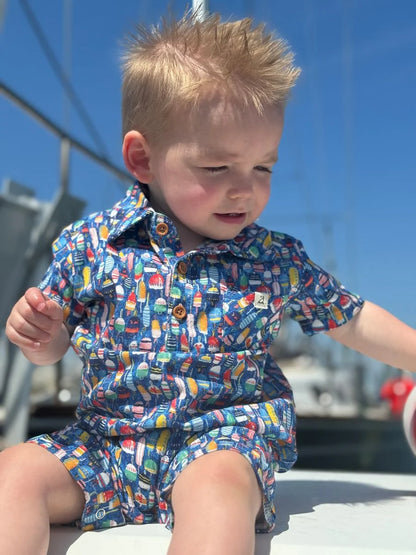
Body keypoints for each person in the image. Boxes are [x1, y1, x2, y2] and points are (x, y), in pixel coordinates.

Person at [1, 12, 415, 555]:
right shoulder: (91, 244)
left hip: (220, 445)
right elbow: (51, 351)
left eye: (263, 168)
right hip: (105, 445)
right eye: (218, 169)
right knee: (12, 474)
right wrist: (41, 337)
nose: (245, 191)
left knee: (219, 495)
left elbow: (350, 316)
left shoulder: (274, 258)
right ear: (143, 159)